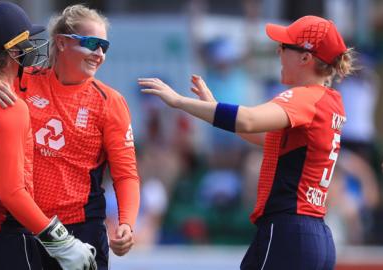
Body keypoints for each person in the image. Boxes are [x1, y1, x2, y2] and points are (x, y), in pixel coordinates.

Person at [0, 4, 139, 270]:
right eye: (92, 43)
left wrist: (127, 223)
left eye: (104, 47)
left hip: (80, 229)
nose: (100, 54)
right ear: (62, 43)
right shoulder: (20, 80)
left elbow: (126, 173)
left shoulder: (109, 102)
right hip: (30, 228)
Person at [139, 15, 355, 270]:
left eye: (284, 47)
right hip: (311, 233)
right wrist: (212, 108)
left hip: (289, 232)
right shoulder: (330, 100)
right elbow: (261, 135)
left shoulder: (305, 97)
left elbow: (248, 120)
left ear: (305, 57)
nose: (278, 52)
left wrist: (179, 102)